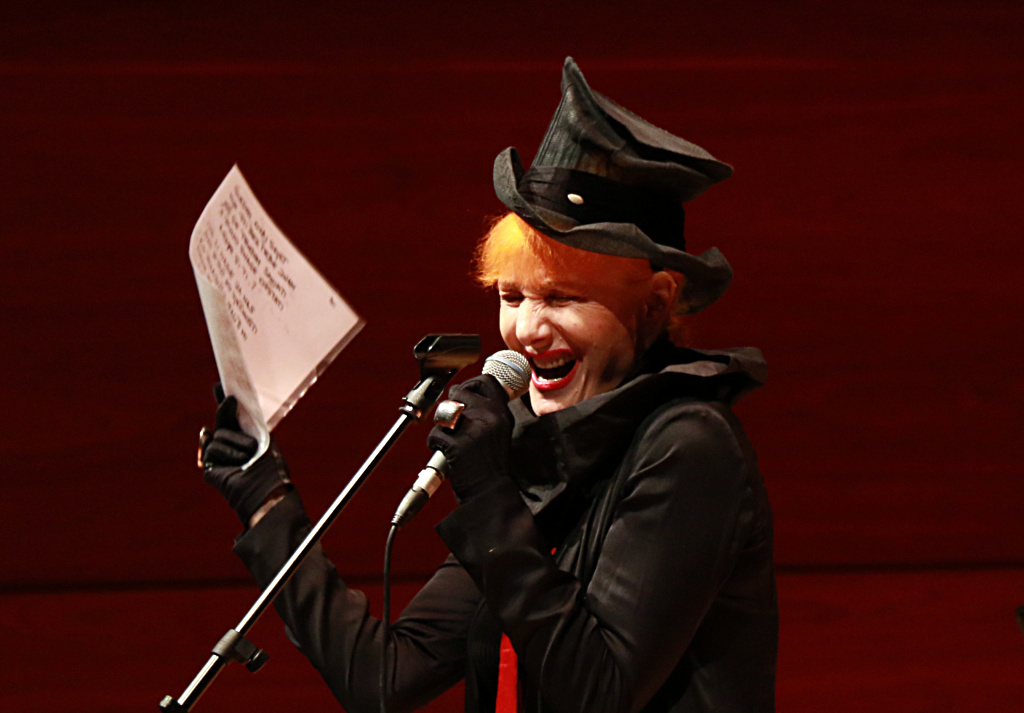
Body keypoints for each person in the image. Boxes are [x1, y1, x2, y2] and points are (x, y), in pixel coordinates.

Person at [202, 57, 777, 713]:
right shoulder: (547, 453)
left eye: (561, 297)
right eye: (511, 296)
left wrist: (488, 490)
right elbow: (386, 678)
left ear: (655, 302)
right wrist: (266, 501)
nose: (525, 329)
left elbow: (598, 692)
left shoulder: (689, 444)